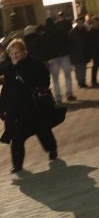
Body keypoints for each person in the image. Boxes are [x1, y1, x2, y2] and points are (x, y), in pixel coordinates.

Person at [0, 39, 59, 173]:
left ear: (23, 52)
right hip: (17, 110)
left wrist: (40, 88)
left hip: (33, 106)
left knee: (43, 131)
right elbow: (6, 91)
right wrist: (2, 108)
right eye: (12, 53)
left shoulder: (34, 63)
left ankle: (52, 149)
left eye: (17, 53)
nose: (14, 56)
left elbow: (45, 78)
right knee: (16, 137)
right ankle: (17, 164)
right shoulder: (9, 69)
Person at [47, 14, 76, 103]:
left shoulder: (45, 34)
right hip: (64, 56)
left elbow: (45, 48)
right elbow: (68, 41)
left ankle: (58, 97)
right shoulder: (61, 31)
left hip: (53, 58)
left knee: (55, 79)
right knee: (67, 75)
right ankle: (69, 94)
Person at [69, 16, 89, 89]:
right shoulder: (72, 32)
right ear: (77, 22)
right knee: (78, 68)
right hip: (76, 53)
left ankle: (83, 82)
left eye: (82, 22)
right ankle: (80, 82)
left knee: (83, 68)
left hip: (83, 52)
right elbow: (70, 44)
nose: (80, 23)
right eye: (79, 22)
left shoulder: (84, 30)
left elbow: (87, 41)